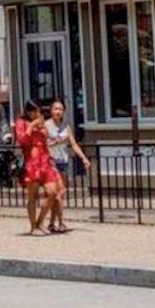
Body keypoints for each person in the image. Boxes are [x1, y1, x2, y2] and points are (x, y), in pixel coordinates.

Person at [44, 99, 88, 235]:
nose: (58, 111)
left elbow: (73, 144)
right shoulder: (46, 125)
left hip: (63, 161)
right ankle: (61, 222)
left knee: (59, 195)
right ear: (51, 111)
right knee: (59, 193)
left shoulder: (66, 126)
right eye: (55, 109)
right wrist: (57, 141)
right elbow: (43, 145)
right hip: (51, 162)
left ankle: (52, 223)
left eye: (60, 109)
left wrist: (83, 158)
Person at [14, 101, 56, 236]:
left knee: (52, 192)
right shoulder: (21, 122)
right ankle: (33, 227)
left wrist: (42, 126)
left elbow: (47, 137)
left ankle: (40, 221)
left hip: (44, 160)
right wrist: (31, 125)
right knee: (32, 195)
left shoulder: (42, 123)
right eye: (35, 111)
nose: (37, 114)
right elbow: (22, 140)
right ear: (29, 112)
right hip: (32, 161)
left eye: (39, 111)